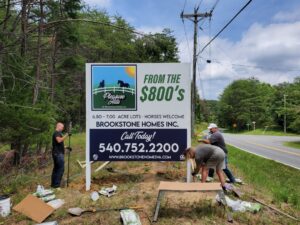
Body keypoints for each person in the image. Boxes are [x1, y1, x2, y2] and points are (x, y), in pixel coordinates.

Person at [51, 122, 69, 188]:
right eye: (62, 127)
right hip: (58, 154)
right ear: (58, 126)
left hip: (57, 153)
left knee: (56, 169)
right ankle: (56, 185)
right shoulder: (56, 133)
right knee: (60, 169)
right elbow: (59, 141)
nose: (62, 128)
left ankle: (53, 185)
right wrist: (66, 135)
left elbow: (58, 144)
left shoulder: (58, 133)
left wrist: (66, 147)